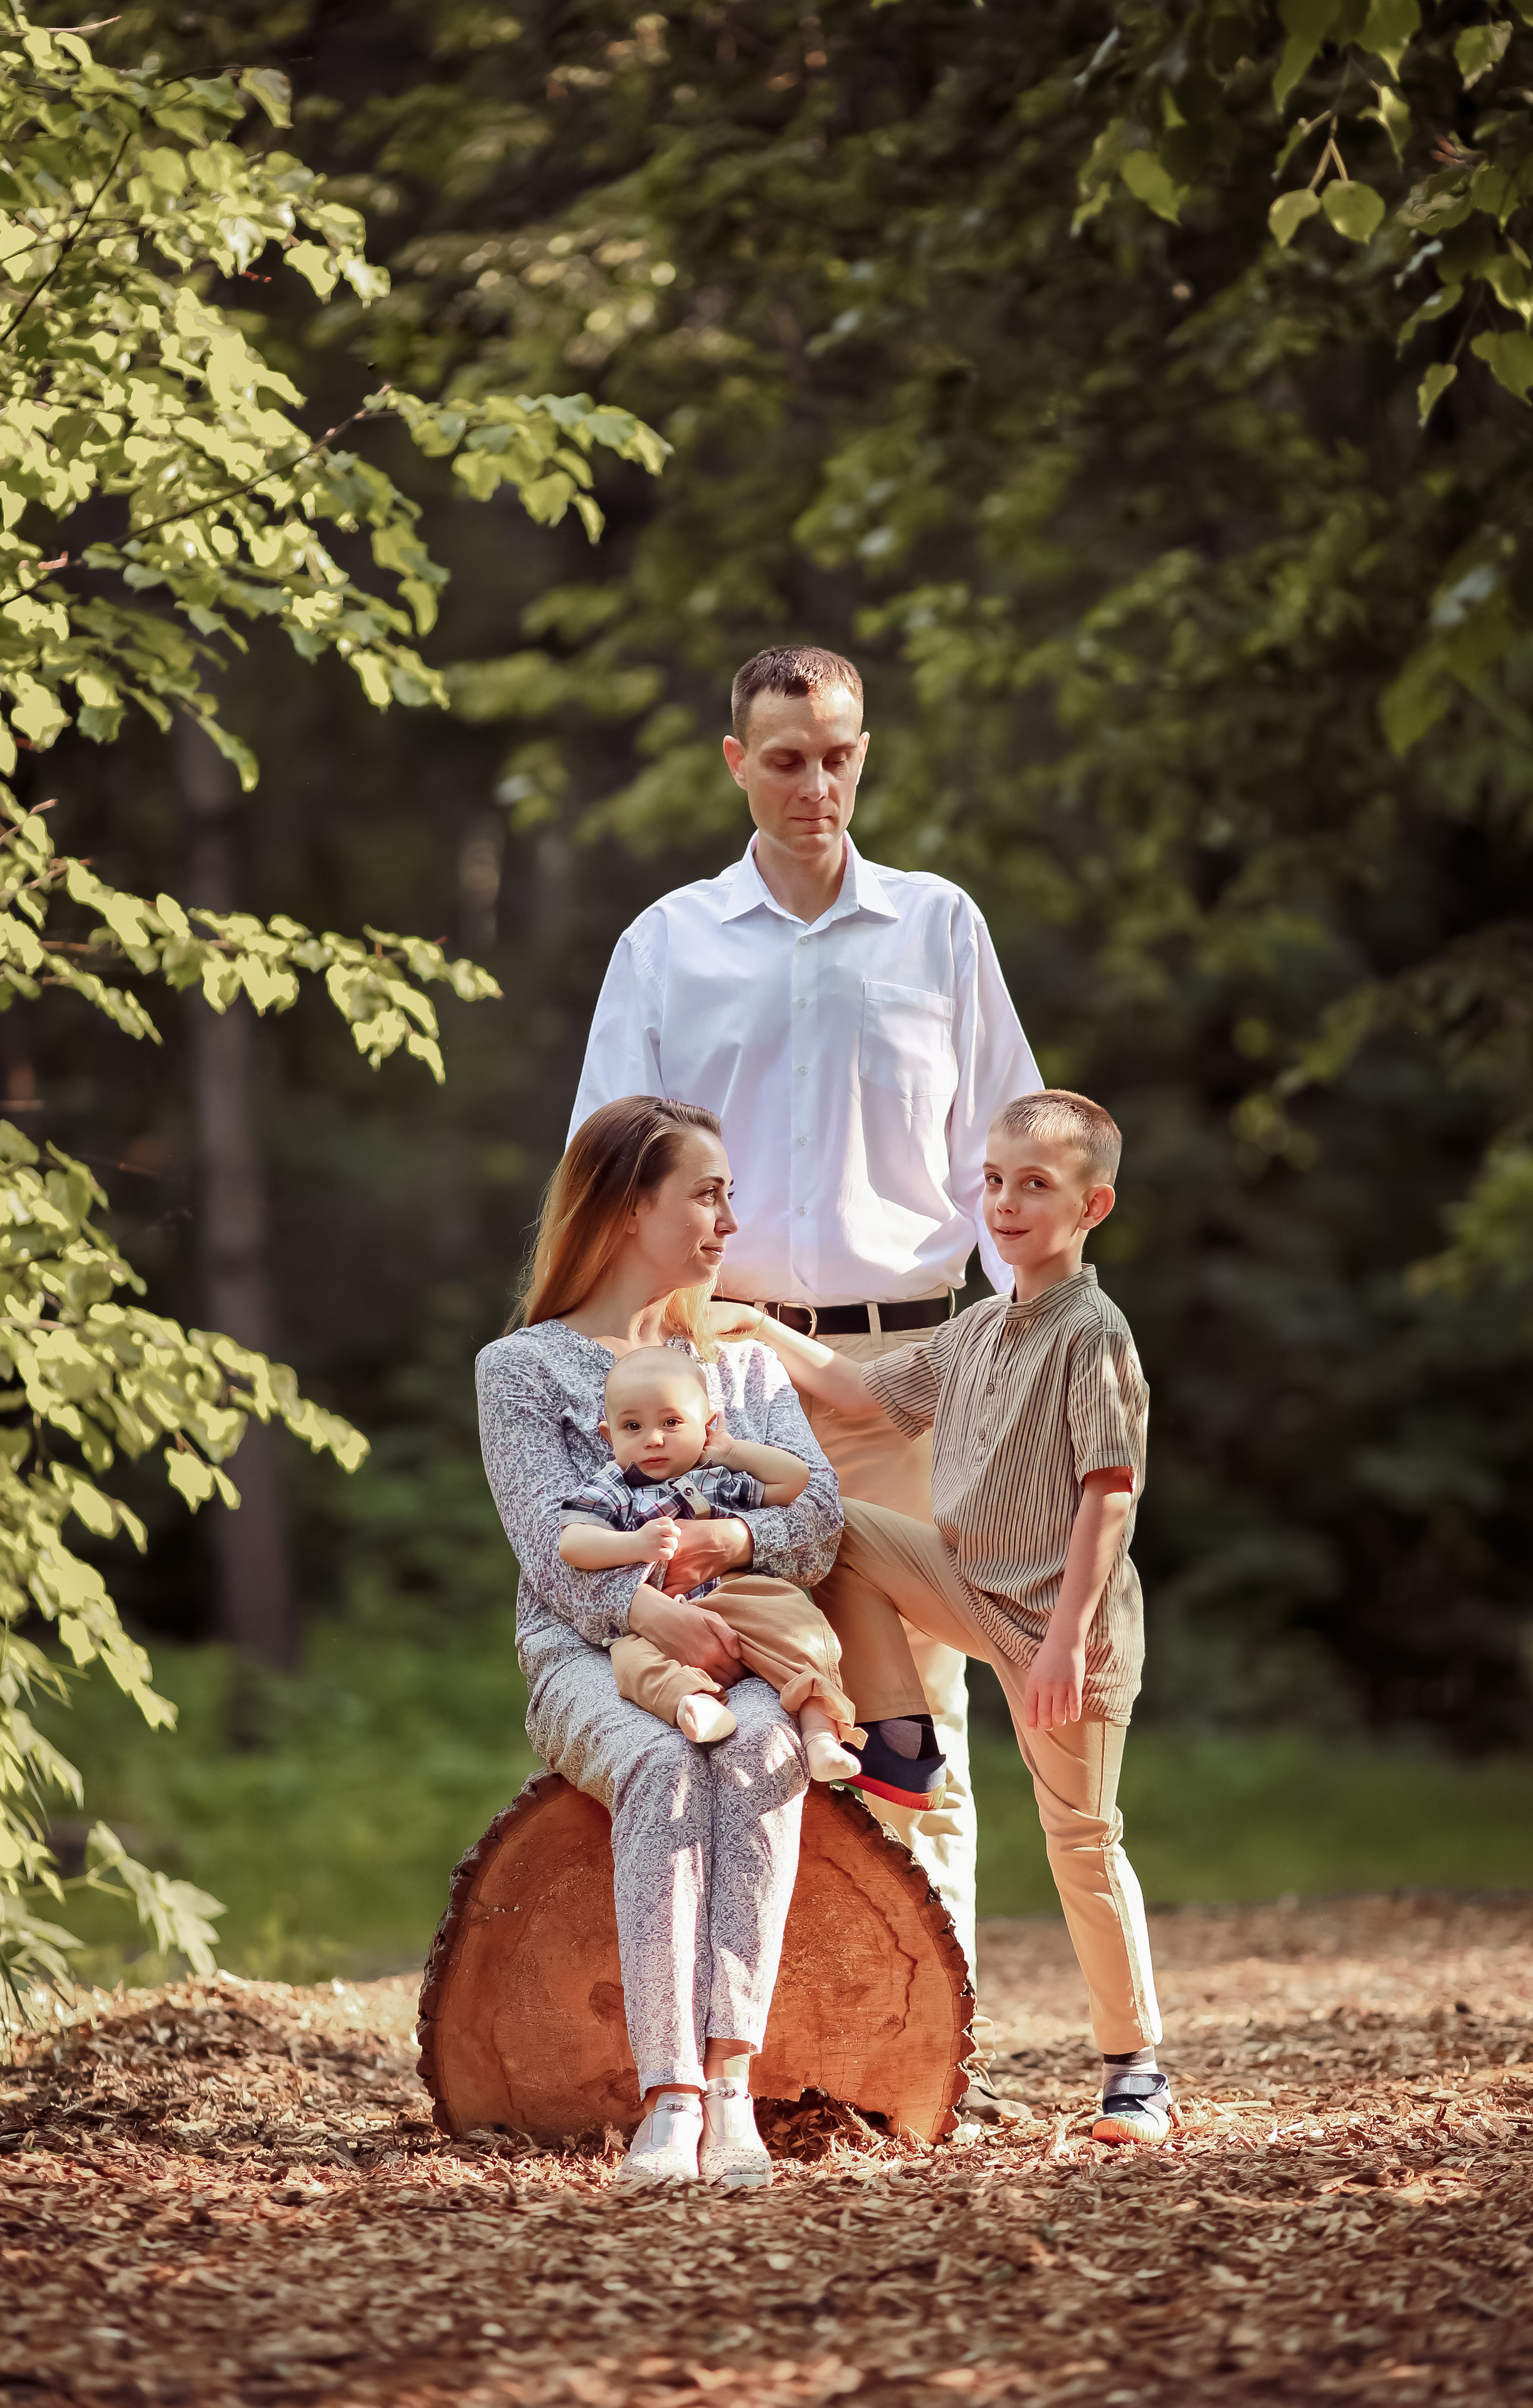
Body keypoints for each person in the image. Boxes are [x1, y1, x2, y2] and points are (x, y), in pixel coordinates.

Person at [570, 643, 1041, 2047]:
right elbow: (610, 1171)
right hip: (722, 1390)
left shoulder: (937, 927)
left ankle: (927, 2046)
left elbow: (1007, 1163)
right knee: (746, 1698)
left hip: (905, 1382)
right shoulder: (666, 943)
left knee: (918, 1725)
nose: (815, 784)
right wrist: (621, 1363)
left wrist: (1027, 1361)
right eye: (785, 757)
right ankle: (740, 2051)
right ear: (736, 764)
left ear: (863, 751)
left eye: (838, 753)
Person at [715, 1088, 1174, 2145]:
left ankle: (1135, 2070)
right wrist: (751, 1326)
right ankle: (899, 1736)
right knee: (841, 1524)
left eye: (1037, 1187)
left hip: (1069, 1627)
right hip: (969, 1583)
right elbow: (867, 1394)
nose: (1007, 1203)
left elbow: (1114, 1492)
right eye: (997, 1182)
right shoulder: (978, 1329)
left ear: (1092, 1204)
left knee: (1083, 1842)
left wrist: (1062, 1644)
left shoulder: (1090, 1330)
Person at [475, 1095, 847, 2191]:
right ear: (633, 1206)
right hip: (587, 1659)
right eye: (708, 1192)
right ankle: (669, 2093)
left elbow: (816, 1522)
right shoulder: (522, 1369)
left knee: (764, 1752)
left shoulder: (737, 1365)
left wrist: (729, 1537)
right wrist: (649, 1612)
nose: (730, 1217)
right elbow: (549, 1548)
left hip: (741, 1645)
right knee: (659, 1765)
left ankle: (731, 2083)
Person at [557, 1345, 861, 1777]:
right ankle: (694, 1703)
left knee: (796, 1624)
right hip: (659, 1610)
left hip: (735, 1593)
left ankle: (821, 1735)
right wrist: (637, 1546)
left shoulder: (716, 1477)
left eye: (672, 1422)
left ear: (707, 1424)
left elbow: (794, 1481)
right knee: (629, 1662)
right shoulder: (614, 1487)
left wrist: (733, 1451)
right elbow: (573, 1544)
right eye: (632, 1426)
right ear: (609, 1438)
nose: (654, 1438)